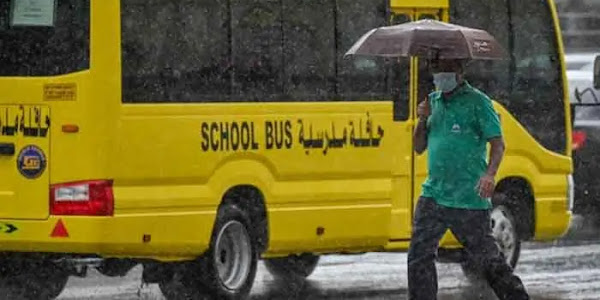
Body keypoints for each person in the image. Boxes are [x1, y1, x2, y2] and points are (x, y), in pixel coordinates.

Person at [407, 58, 530, 300]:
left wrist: (490, 175)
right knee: (419, 256)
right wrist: (422, 118)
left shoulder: (478, 103)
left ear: (460, 72)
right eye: (437, 71)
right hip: (434, 195)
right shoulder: (432, 101)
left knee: (487, 259)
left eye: (448, 70)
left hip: (467, 196)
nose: (441, 75)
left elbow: (498, 144)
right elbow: (418, 147)